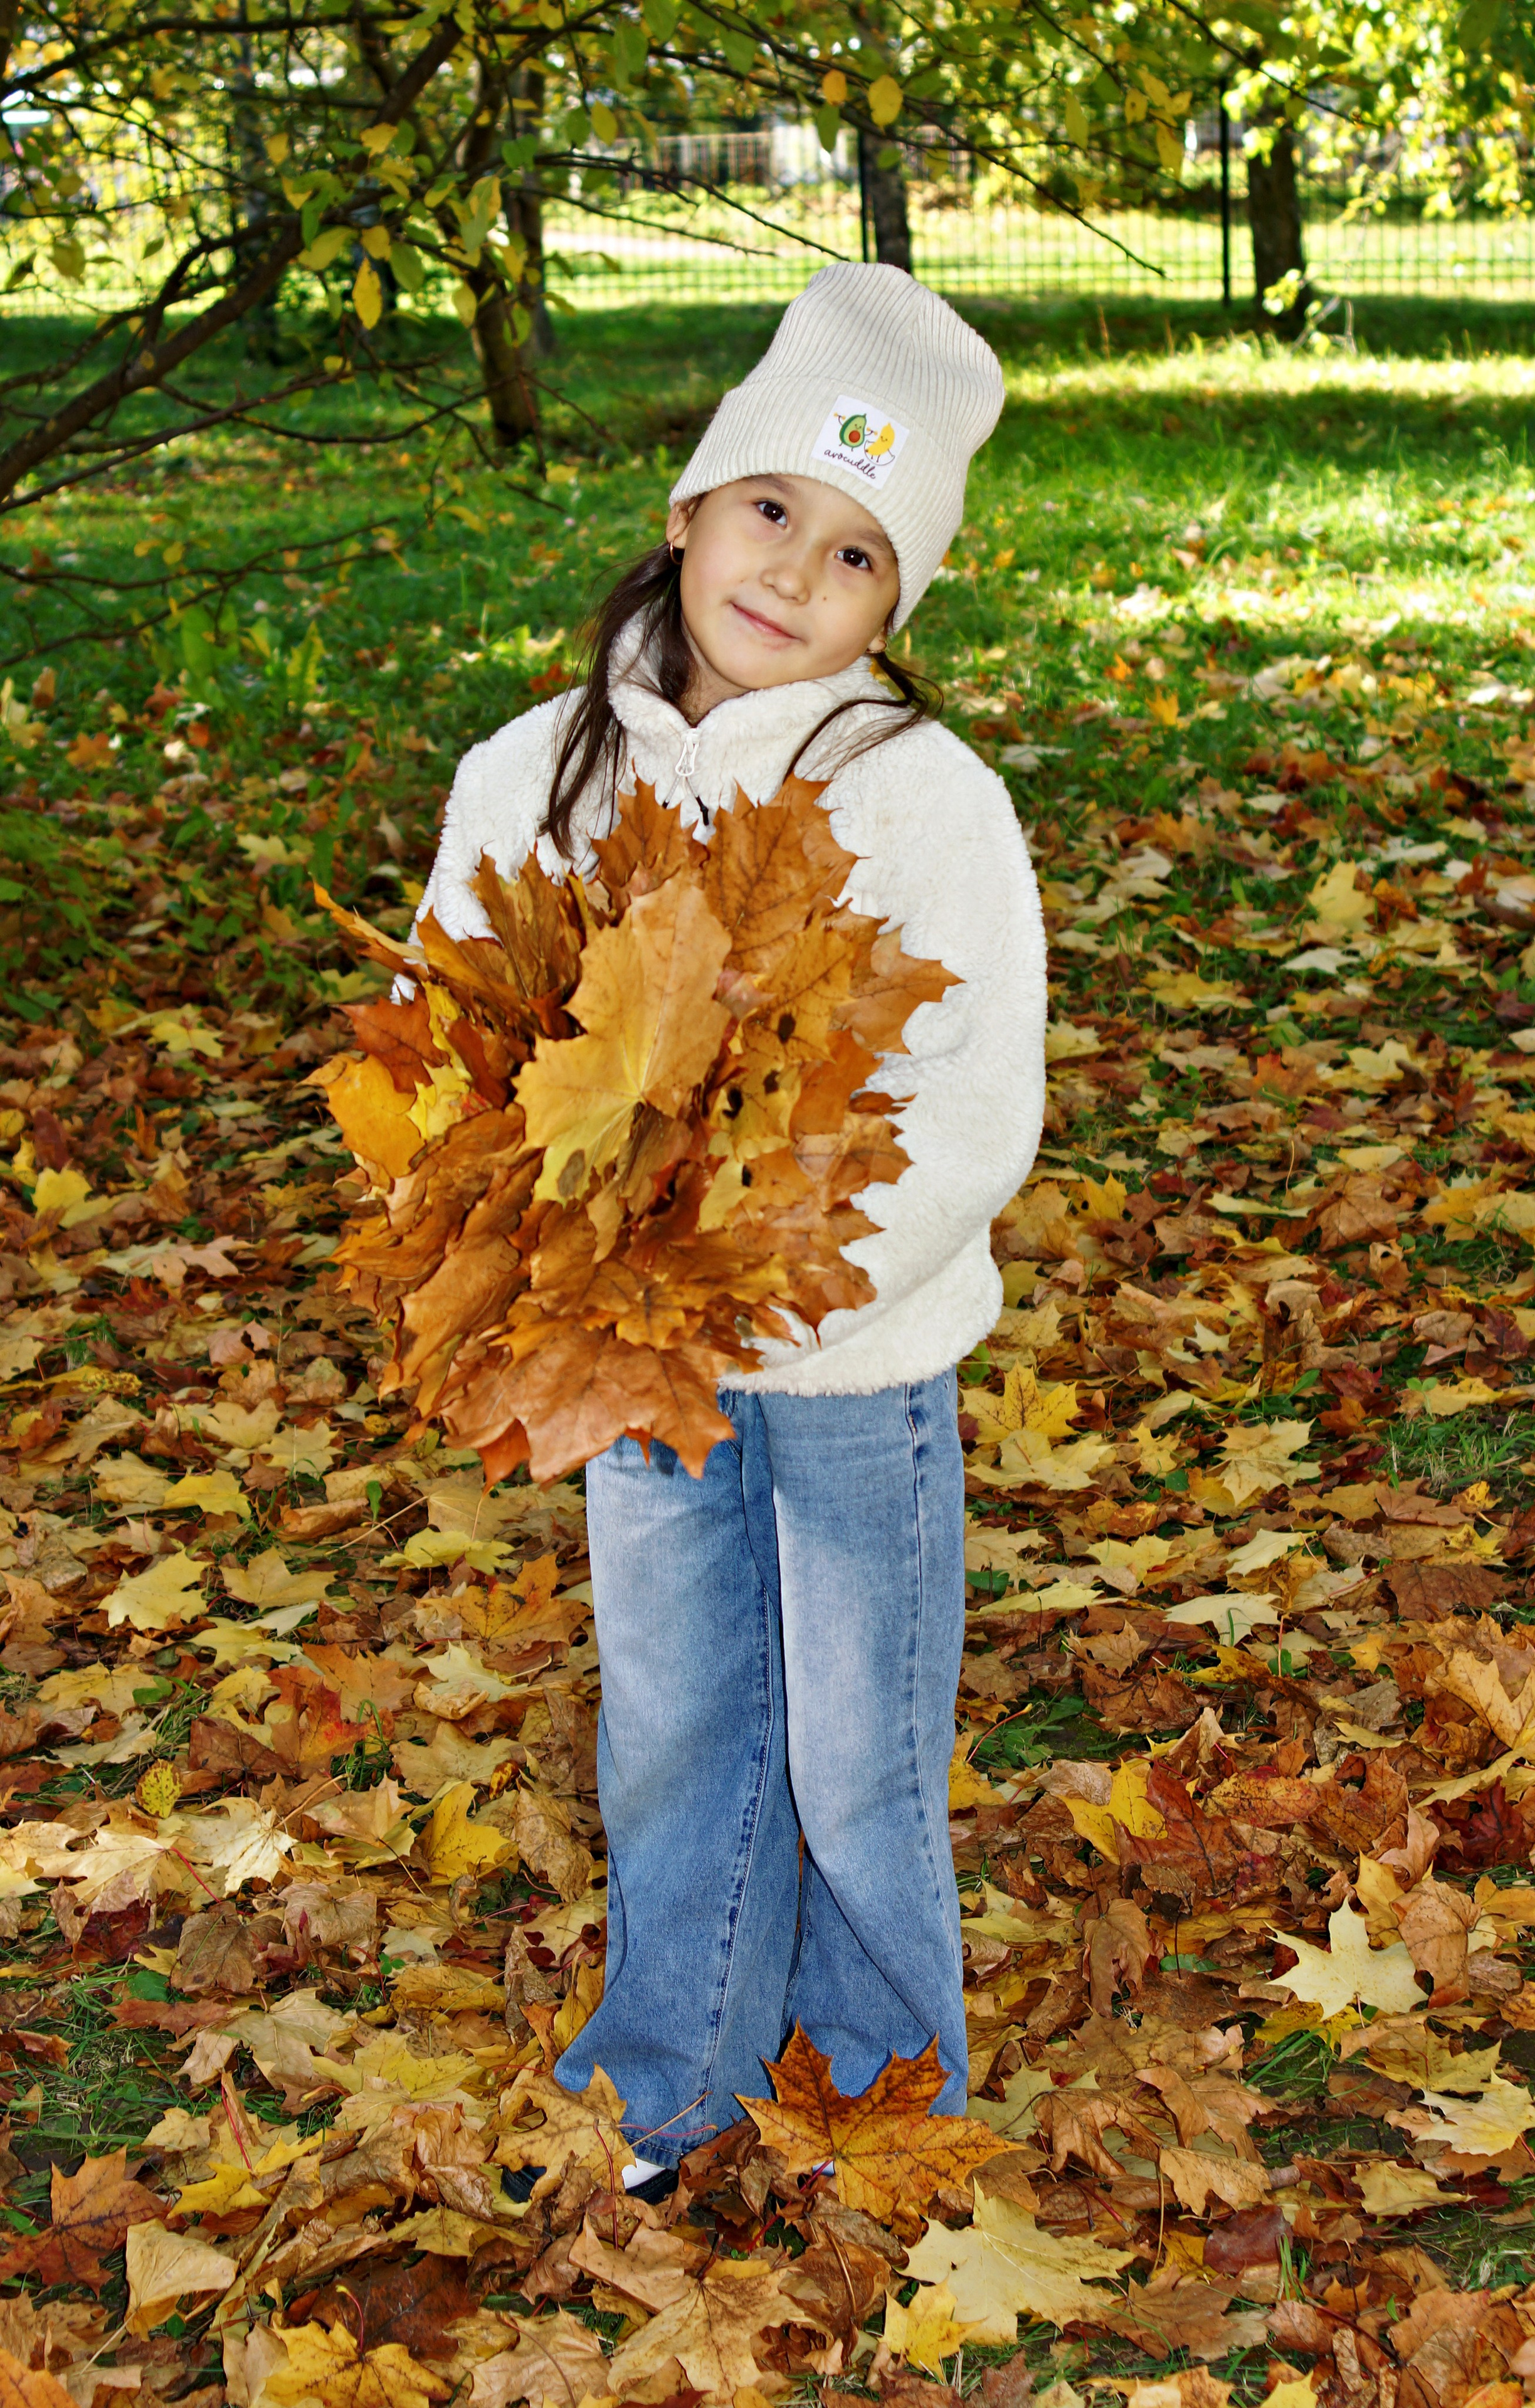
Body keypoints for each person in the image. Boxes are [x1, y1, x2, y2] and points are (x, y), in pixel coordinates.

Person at [414, 262, 1047, 2199]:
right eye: (773, 509)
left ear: (896, 604)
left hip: (857, 1365)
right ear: (691, 507)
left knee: (857, 1749)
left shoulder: (924, 802)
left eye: (857, 555)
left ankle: (879, 2088)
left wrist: (784, 1277)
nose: (794, 572)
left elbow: (972, 1101)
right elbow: (457, 1056)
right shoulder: (533, 777)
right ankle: (673, 2076)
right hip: (634, 1370)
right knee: (681, 1719)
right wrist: (550, 1275)